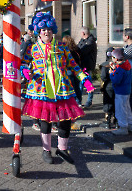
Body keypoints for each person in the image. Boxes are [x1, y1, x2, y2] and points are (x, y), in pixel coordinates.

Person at [21, 12, 94, 164]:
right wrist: (26, 71)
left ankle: (62, 149)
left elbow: (74, 66)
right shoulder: (32, 48)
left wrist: (85, 80)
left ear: (53, 30)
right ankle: (46, 150)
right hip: (41, 89)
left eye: (48, 29)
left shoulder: (62, 46)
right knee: (45, 121)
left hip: (62, 88)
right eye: (43, 30)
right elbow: (23, 63)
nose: (46, 32)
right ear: (38, 32)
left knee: (65, 121)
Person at [108, 48, 132, 135]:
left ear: (116, 59)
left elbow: (116, 81)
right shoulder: (127, 65)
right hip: (127, 91)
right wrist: (116, 69)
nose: (112, 59)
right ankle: (130, 125)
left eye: (113, 57)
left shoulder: (120, 69)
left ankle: (123, 128)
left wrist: (111, 73)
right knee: (127, 108)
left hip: (120, 92)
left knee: (120, 110)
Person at [77, 26, 97, 108]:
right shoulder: (83, 40)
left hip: (87, 66)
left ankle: (89, 101)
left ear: (83, 33)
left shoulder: (90, 42)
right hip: (82, 66)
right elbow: (78, 47)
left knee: (88, 84)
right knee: (80, 85)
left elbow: (81, 51)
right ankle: (79, 101)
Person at [99, 47, 116, 129]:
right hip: (117, 86)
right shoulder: (118, 64)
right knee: (115, 103)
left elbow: (103, 76)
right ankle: (116, 121)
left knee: (108, 103)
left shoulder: (105, 64)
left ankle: (107, 121)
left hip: (108, 86)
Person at [62, 35, 82, 105]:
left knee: (71, 88)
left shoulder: (65, 50)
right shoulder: (77, 49)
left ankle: (73, 102)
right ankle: (79, 102)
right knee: (77, 87)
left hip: (69, 70)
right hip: (77, 70)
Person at [122, 28, 132, 109]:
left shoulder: (130, 49)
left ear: (127, 36)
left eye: (123, 35)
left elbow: (122, 57)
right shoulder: (126, 47)